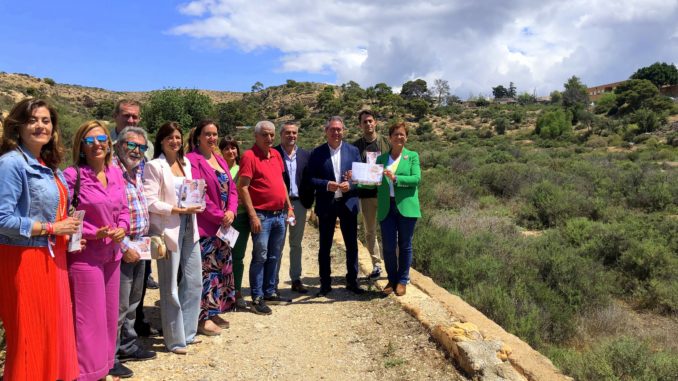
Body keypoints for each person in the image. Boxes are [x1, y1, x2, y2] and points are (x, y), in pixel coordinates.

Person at [0, 98, 80, 381]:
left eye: (46, 121)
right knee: (28, 340)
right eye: (33, 120)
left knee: (50, 336)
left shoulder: (48, 164)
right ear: (18, 126)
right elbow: (2, 219)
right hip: (24, 260)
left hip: (52, 258)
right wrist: (51, 228)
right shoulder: (11, 164)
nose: (40, 126)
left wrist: (66, 229)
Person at [64, 120, 130, 381]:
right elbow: (63, 217)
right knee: (88, 320)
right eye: (90, 141)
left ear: (109, 144)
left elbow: (123, 209)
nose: (97, 145)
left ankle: (102, 369)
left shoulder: (115, 173)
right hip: (85, 258)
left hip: (112, 256)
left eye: (102, 140)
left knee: (108, 317)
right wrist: (93, 233)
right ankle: (86, 374)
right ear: (81, 146)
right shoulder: (72, 176)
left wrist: (123, 227)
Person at [144, 121, 203, 354]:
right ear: (161, 140)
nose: (175, 141)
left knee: (194, 281)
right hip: (169, 228)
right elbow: (150, 201)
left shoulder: (185, 163)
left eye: (178, 137)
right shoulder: (153, 166)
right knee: (169, 288)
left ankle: (188, 333)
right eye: (170, 137)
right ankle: (174, 339)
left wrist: (196, 202)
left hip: (190, 226)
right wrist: (177, 210)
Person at [109, 127, 157, 378]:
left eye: (141, 146)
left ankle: (127, 346)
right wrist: (124, 246)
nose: (136, 151)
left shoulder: (139, 170)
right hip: (121, 247)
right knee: (117, 306)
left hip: (141, 245)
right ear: (118, 144)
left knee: (133, 303)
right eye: (131, 145)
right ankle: (110, 356)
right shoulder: (110, 170)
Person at [186, 120, 238, 335]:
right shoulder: (192, 160)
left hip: (223, 226)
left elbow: (232, 188)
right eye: (207, 134)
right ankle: (201, 318)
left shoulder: (219, 158)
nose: (212, 138)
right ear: (198, 136)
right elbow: (198, 196)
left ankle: (214, 309)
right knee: (205, 271)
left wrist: (232, 211)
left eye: (215, 134)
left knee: (219, 269)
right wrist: (219, 216)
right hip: (206, 226)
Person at [238, 121, 295, 314]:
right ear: (256, 136)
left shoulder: (276, 154)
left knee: (274, 255)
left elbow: (281, 183)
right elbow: (243, 187)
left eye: (271, 135)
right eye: (265, 135)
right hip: (262, 215)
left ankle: (270, 291)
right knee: (260, 256)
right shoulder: (249, 156)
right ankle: (257, 297)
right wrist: (253, 215)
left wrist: (289, 207)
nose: (269, 138)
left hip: (279, 214)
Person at [307, 116, 365, 297]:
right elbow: (310, 179)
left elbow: (361, 178)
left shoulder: (353, 151)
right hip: (326, 204)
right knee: (325, 246)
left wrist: (352, 185)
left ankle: (352, 282)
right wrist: (326, 184)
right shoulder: (317, 153)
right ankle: (325, 284)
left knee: (352, 245)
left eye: (339, 129)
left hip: (348, 204)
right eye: (332, 129)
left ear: (343, 131)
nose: (336, 132)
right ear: (326, 131)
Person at [375, 123, 421, 296]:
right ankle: (391, 279)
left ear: (406, 137)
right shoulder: (381, 159)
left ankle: (403, 280)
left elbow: (416, 179)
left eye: (402, 134)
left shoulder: (413, 156)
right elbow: (373, 180)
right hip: (387, 207)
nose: (399, 137)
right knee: (388, 245)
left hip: (406, 207)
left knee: (405, 245)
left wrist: (395, 178)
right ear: (389, 138)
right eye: (395, 134)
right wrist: (355, 178)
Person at [274, 121, 314, 294]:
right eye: (287, 132)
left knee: (296, 244)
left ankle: (296, 279)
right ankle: (272, 281)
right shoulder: (273, 153)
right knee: (277, 244)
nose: (291, 136)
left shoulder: (305, 155)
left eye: (294, 133)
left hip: (299, 204)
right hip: (279, 205)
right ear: (281, 135)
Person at [352, 110, 390, 280]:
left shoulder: (386, 143)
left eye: (370, 121)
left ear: (375, 122)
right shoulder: (355, 147)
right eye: (364, 122)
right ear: (360, 125)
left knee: (389, 230)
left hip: (384, 194)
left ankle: (392, 264)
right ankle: (377, 265)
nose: (368, 124)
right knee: (370, 231)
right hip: (365, 196)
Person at [219, 136, 250, 309]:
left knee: (237, 257)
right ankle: (222, 293)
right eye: (226, 148)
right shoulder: (217, 169)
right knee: (221, 257)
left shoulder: (242, 169)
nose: (231, 152)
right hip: (221, 221)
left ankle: (237, 292)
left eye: (233, 148)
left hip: (240, 219)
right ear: (221, 151)